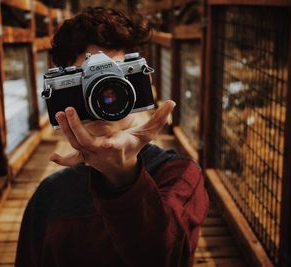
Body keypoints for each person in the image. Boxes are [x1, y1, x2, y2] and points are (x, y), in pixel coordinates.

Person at [15, 7, 208, 267]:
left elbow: (165, 258)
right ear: (64, 88)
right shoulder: (48, 197)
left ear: (140, 79)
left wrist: (125, 178)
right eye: (86, 82)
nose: (106, 94)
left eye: (113, 77)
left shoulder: (181, 175)